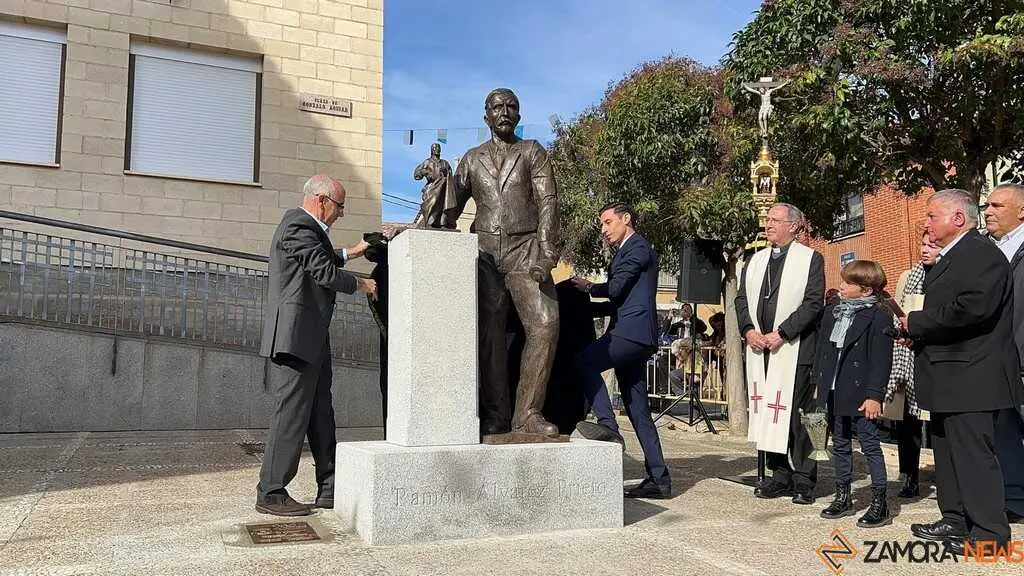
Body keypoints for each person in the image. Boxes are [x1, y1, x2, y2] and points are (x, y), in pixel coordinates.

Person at [901, 189, 1020, 554]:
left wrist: (917, 323)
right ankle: (954, 519)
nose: (926, 222)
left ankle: (988, 534)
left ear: (957, 218)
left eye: (932, 216)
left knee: (973, 456)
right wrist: (915, 333)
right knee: (948, 454)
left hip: (972, 376)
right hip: (946, 375)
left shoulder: (981, 254)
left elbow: (973, 308)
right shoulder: (950, 257)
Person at [256, 174, 377, 516]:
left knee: (320, 412)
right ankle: (271, 492)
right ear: (322, 201)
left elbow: (321, 257)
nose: (340, 213)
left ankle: (330, 486)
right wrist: (363, 285)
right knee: (291, 414)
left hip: (310, 337)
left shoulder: (307, 232)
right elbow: (321, 271)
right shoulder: (298, 224)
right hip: (295, 337)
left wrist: (353, 252)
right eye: (340, 206)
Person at [452, 88, 561, 437]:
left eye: (511, 107)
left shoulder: (532, 152)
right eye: (498, 107)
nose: (505, 112)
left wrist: (546, 252)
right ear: (486, 115)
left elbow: (548, 202)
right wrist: (435, 192)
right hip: (484, 252)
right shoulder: (471, 159)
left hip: (525, 247)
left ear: (519, 114)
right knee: (489, 333)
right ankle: (495, 415)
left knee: (545, 323)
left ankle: (527, 413)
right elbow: (450, 206)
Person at [571, 203, 671, 499]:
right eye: (602, 224)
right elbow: (618, 300)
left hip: (632, 334)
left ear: (626, 219)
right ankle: (659, 479)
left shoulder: (637, 247)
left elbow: (615, 289)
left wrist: (589, 286)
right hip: (631, 332)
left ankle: (607, 426)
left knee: (583, 363)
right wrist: (583, 306)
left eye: (607, 222)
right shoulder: (627, 251)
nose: (604, 230)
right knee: (639, 411)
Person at [735, 203, 825, 504]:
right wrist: (749, 330)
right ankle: (779, 475)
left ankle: (804, 480)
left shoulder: (811, 259)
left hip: (794, 349)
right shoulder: (756, 260)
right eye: (768, 219)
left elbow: (813, 303)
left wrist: (782, 333)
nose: (768, 223)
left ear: (795, 226)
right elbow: (741, 300)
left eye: (775, 219)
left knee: (798, 417)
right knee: (769, 414)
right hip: (760, 348)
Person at [815, 260, 894, 527]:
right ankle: (843, 495)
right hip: (836, 386)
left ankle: (879, 502)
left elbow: (881, 359)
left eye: (848, 283)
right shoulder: (833, 312)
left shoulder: (878, 315)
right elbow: (823, 351)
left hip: (862, 391)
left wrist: (875, 395)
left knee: (869, 444)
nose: (842, 286)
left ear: (866, 290)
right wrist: (820, 381)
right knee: (839, 443)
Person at [981, 182, 1024, 523]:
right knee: (1005, 432)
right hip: (998, 361)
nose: (988, 211)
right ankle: (1015, 499)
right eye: (987, 205)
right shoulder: (990, 251)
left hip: (1020, 355)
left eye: (996, 205)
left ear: (1021, 210)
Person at [885, 232, 940, 499]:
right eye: (923, 244)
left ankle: (946, 476)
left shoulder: (947, 275)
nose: (925, 249)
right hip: (907, 359)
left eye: (932, 245)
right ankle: (909, 476)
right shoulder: (909, 277)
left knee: (939, 423)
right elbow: (901, 313)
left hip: (934, 358)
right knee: (908, 425)